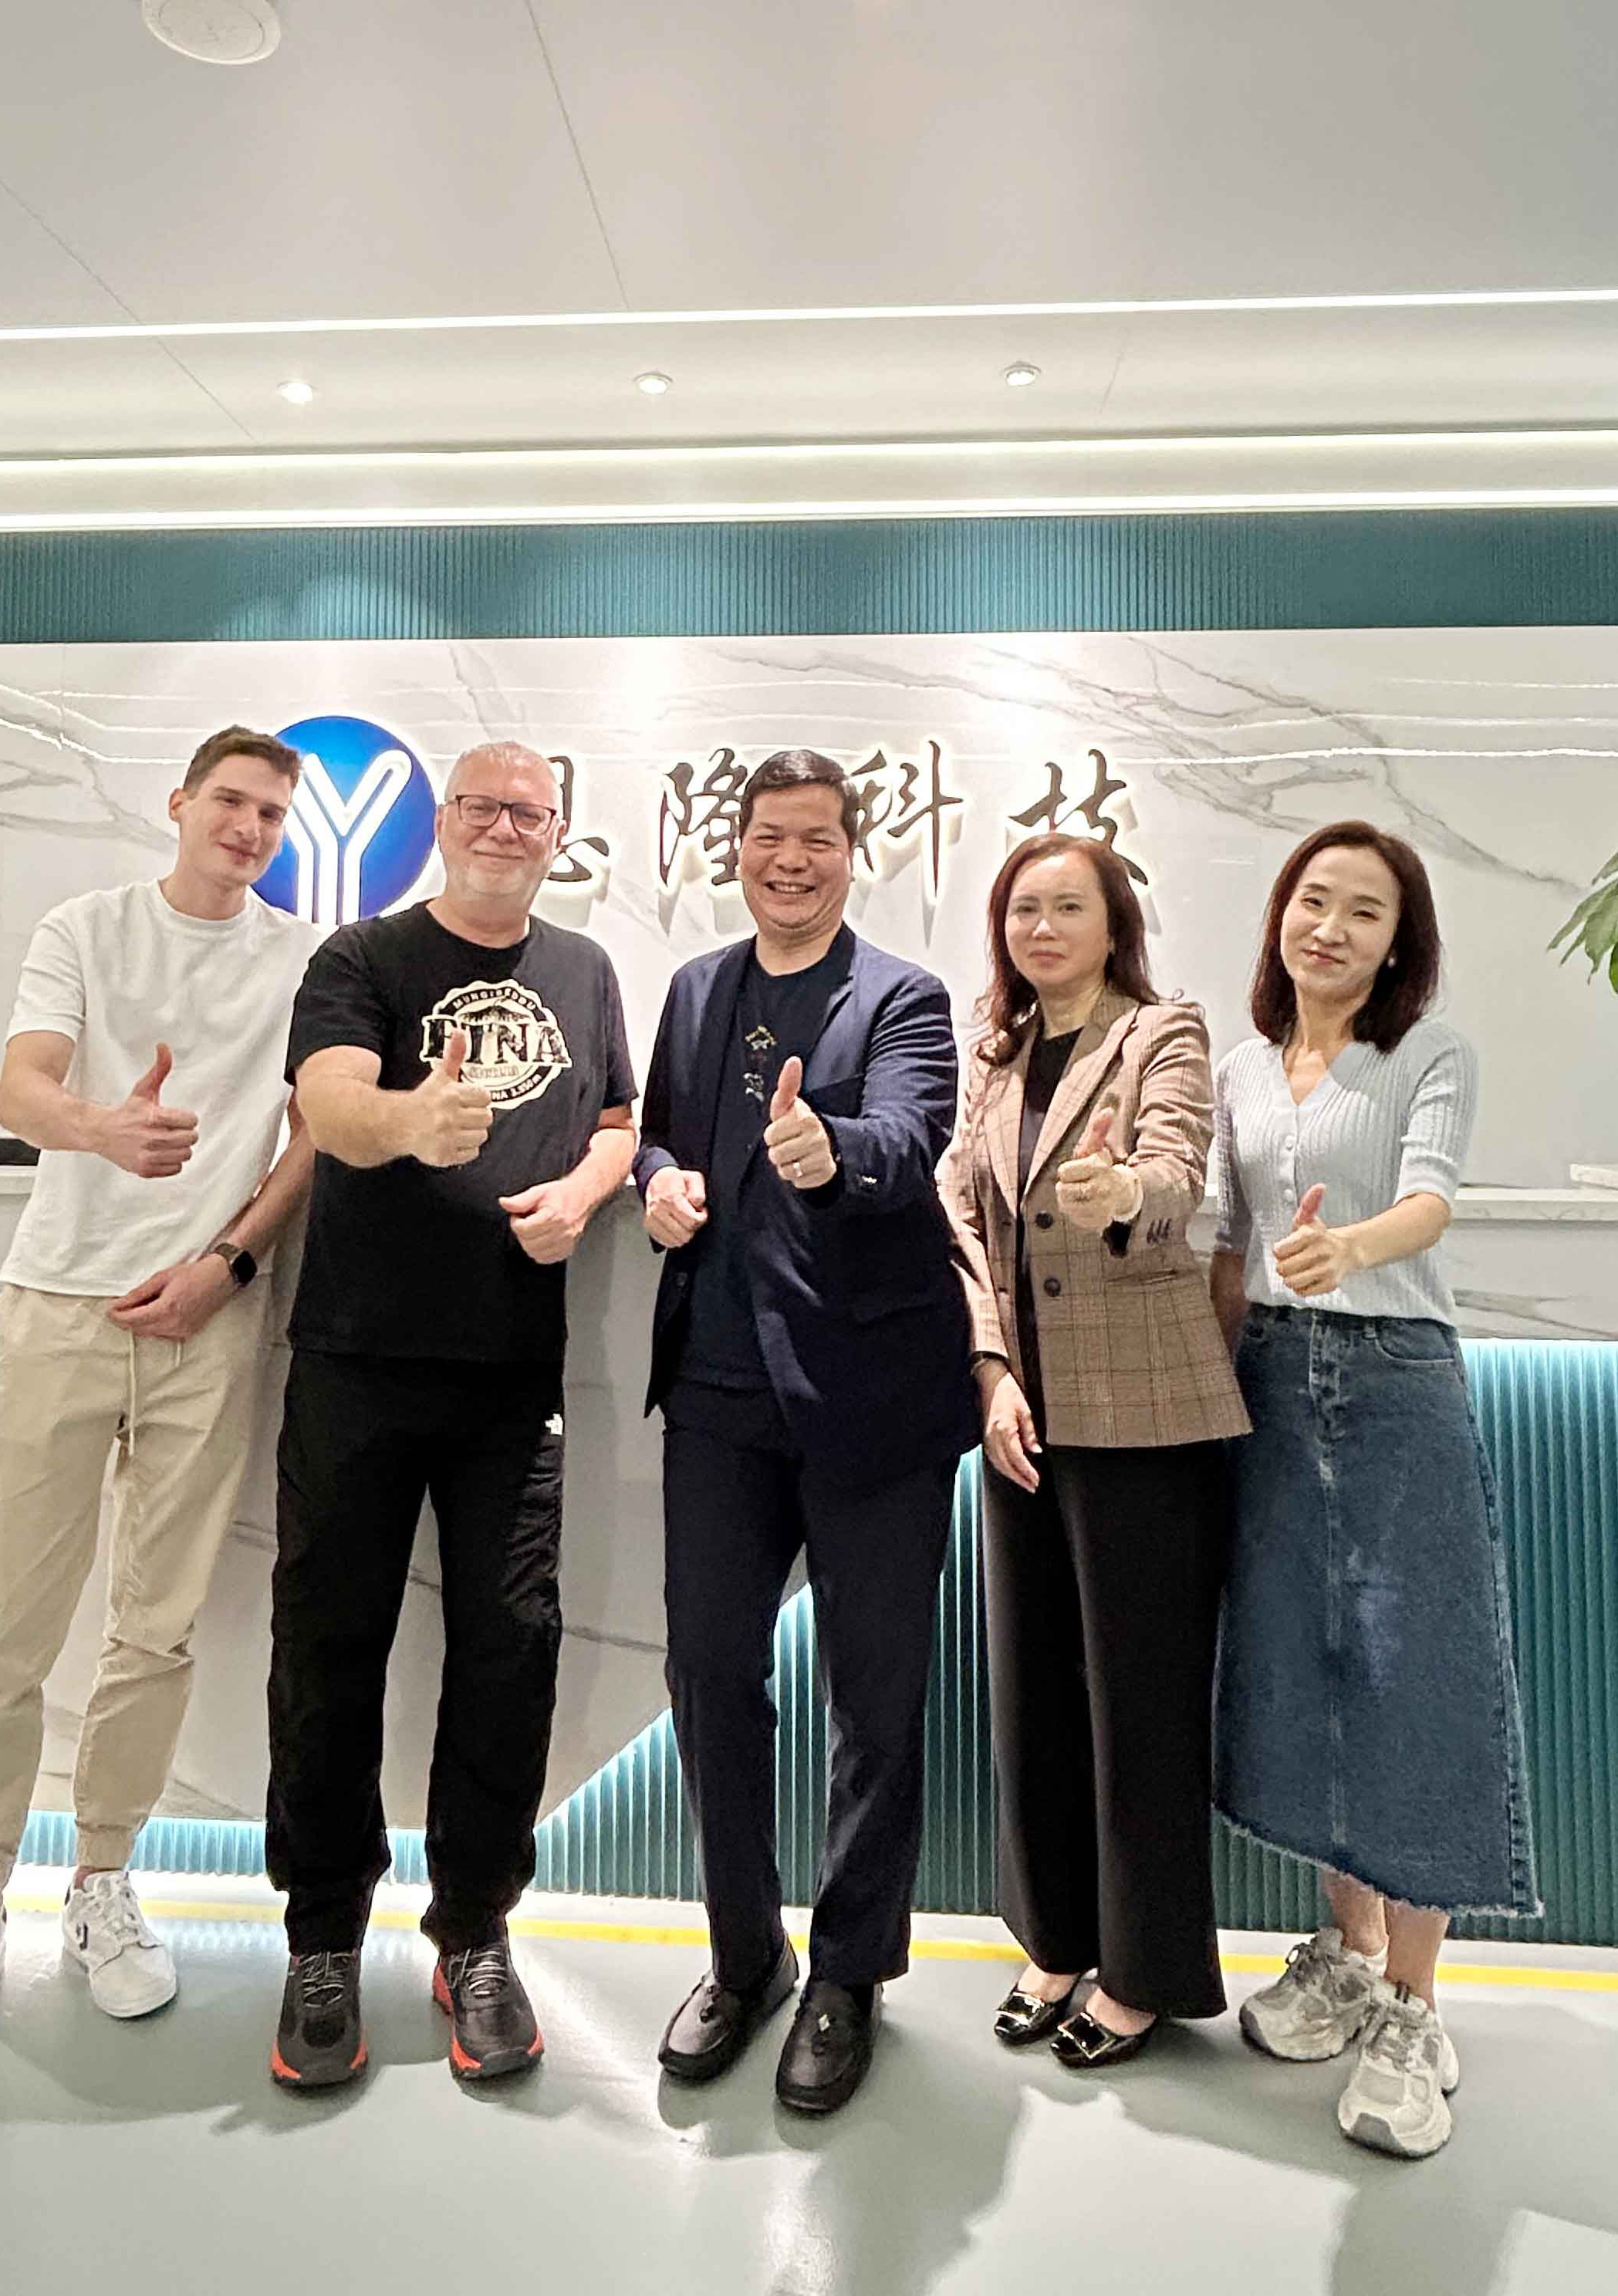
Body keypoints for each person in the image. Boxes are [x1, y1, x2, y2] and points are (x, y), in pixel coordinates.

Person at [0, 726, 316, 2079]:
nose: (248, 829)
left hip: (207, 1320)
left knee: (157, 1627)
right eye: (230, 802)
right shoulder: (87, 926)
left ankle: (104, 1882)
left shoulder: (303, 960)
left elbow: (310, 1136)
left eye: (271, 814)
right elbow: (22, 1084)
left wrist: (227, 1262)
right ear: (179, 803)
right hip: (59, 1307)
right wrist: (100, 1128)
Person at [265, 738, 637, 2090]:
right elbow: (327, 1104)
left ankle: (474, 1928)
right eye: (481, 806)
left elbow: (617, 1116)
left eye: (529, 812)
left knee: (508, 1653)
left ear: (557, 831)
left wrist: (585, 1196)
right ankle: (322, 1937)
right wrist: (409, 1124)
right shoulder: (361, 957)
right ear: (440, 820)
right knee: (327, 1646)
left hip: (512, 1377)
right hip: (356, 1361)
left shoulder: (585, 969)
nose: (504, 828)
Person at [637, 748, 976, 2117]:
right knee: (710, 1678)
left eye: (817, 839)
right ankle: (744, 1955)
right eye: (769, 836)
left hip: (872, 1400)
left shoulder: (903, 995)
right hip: (718, 1396)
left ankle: (848, 1975)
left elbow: (908, 1135)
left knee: (875, 1705)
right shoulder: (695, 989)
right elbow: (659, 1135)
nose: (790, 861)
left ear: (853, 852)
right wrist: (659, 1183)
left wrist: (832, 1154)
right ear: (736, 847)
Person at [1211, 819, 1538, 2159]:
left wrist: (1349, 1247)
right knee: (1304, 1673)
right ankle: (1347, 1958)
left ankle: (1415, 2004)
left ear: (1400, 943)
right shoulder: (1240, 1067)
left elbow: (1431, 1203)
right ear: (1281, 915)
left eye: (1364, 911)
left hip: (1397, 1376)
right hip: (1271, 1386)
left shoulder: (1429, 1053)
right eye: (1314, 900)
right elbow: (1226, 1244)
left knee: (1415, 1682)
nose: (1330, 928)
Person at [938, 832, 1248, 2070]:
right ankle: (1056, 1939)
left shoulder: (1162, 1033)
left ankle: (1142, 1971)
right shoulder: (995, 1054)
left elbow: (1174, 1169)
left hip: (1143, 1413)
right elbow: (963, 1220)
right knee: (1034, 1694)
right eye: (1024, 908)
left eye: (1069, 907)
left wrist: (1126, 1194)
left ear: (1115, 923)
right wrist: (991, 1370)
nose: (1043, 928)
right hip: (1023, 1414)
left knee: (1141, 1705)